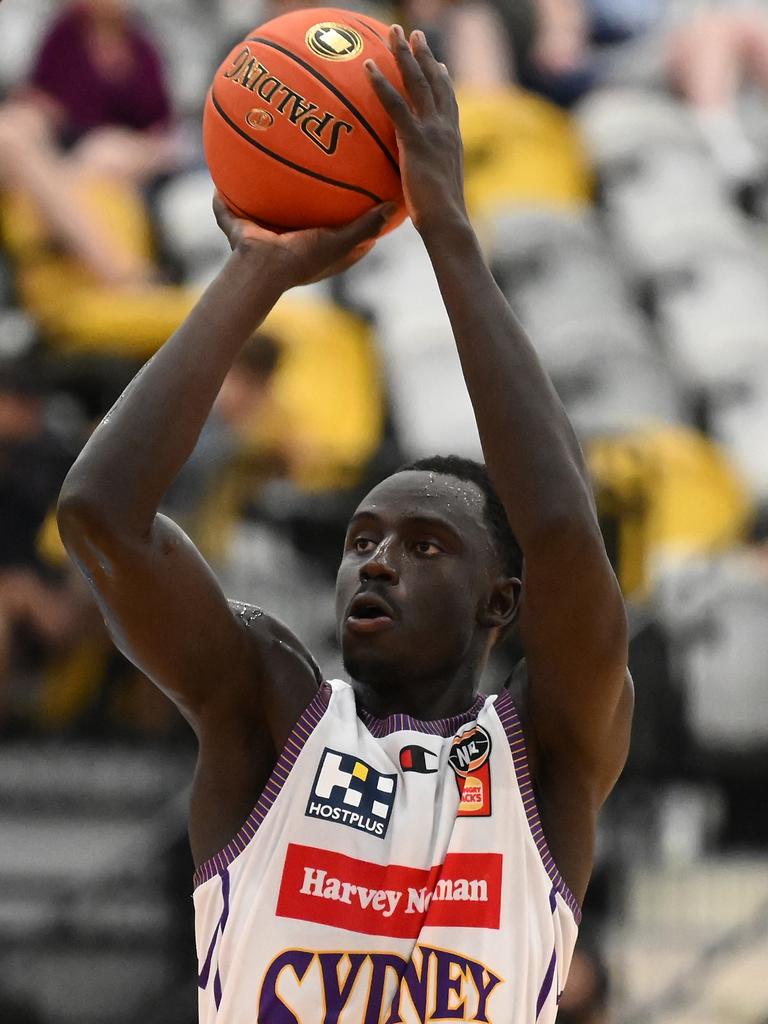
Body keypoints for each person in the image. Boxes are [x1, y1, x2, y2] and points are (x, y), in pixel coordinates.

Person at [57, 26, 632, 1023]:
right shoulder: (269, 705)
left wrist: (449, 230)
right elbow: (103, 517)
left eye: (426, 544)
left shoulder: (548, 750)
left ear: (504, 598)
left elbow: (566, 535)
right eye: (363, 538)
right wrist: (257, 272)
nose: (375, 561)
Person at [0, 0, 176, 288]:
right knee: (18, 131)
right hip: (68, 147)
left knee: (94, 158)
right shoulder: (64, 36)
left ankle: (122, 276)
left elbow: (163, 128)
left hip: (117, 153)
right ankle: (125, 275)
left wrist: (134, 148)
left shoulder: (142, 45)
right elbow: (42, 99)